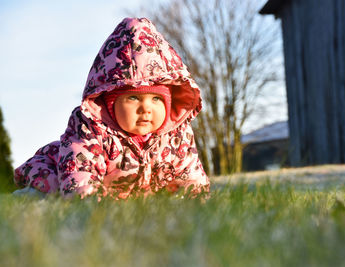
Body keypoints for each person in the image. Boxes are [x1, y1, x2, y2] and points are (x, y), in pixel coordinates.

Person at [13, 17, 210, 199]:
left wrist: (193, 198)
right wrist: (89, 203)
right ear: (110, 102)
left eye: (156, 99)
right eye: (133, 97)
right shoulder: (90, 129)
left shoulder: (176, 134)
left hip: (128, 193)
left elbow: (190, 172)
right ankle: (28, 195)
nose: (146, 108)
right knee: (52, 189)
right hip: (57, 168)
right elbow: (81, 172)